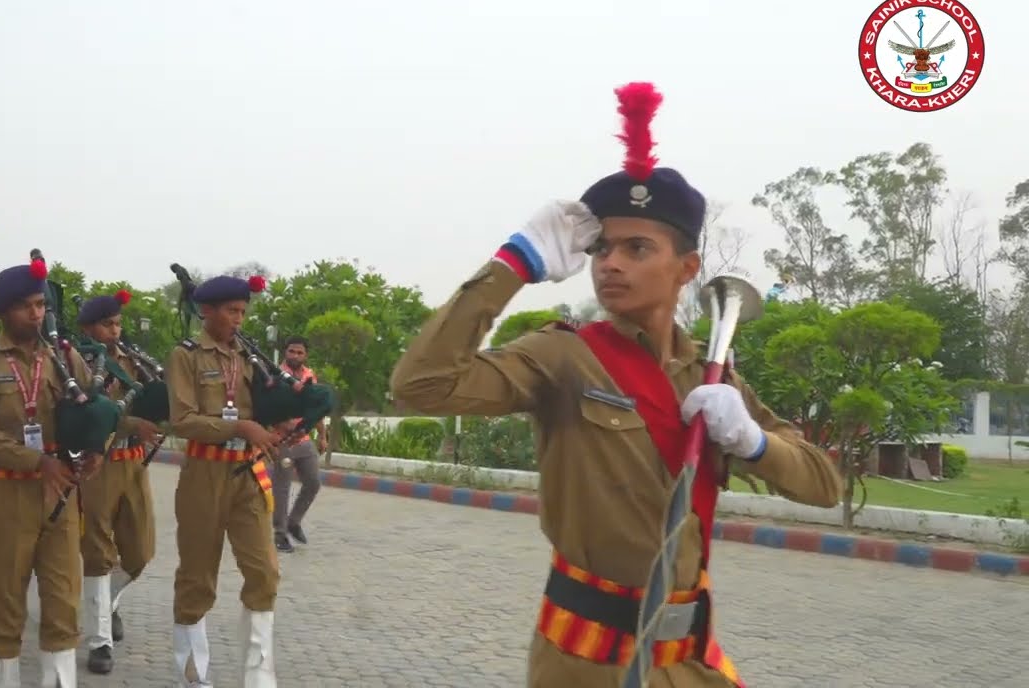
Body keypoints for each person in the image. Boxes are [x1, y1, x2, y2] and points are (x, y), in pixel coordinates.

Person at [390, 82, 842, 688]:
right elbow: (422, 386)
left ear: (686, 269)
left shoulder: (713, 376)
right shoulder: (562, 355)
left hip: (687, 658)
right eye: (602, 247)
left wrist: (754, 442)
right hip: (586, 660)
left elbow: (824, 485)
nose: (611, 263)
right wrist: (512, 265)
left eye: (637, 247)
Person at [0, 257, 105, 688]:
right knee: (5, 607)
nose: (37, 313)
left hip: (60, 498)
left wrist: (95, 448)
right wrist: (37, 461)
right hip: (8, 495)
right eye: (26, 306)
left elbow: (88, 411)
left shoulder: (64, 356)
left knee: (62, 604)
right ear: (3, 312)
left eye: (41, 304)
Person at [168, 274, 281, 688]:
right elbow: (183, 421)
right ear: (207, 311)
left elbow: (261, 410)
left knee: (264, 572)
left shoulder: (249, 358)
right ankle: (193, 675)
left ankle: (259, 678)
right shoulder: (186, 356)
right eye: (232, 311)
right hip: (204, 474)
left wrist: (278, 419)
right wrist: (241, 428)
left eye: (243, 312)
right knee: (198, 577)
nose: (239, 319)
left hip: (248, 475)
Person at [75, 290, 160, 675]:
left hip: (133, 462)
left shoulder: (129, 359)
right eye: (107, 324)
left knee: (140, 552)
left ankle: (104, 605)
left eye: (117, 323)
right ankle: (99, 641)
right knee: (97, 551)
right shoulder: (77, 361)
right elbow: (88, 412)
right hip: (98, 464)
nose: (114, 330)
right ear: (88, 328)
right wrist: (130, 424)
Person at [270, 336, 327, 553]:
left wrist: (322, 435)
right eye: (291, 351)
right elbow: (268, 408)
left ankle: (294, 522)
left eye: (300, 352)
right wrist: (285, 425)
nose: (295, 355)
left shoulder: (309, 375)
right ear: (285, 352)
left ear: (306, 355)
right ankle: (280, 533)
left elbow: (316, 408)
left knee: (313, 483)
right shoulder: (274, 375)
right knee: (282, 488)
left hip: (304, 440)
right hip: (282, 441)